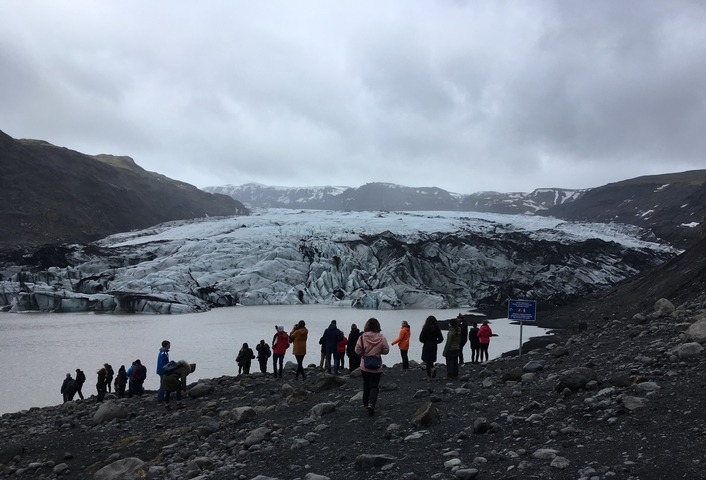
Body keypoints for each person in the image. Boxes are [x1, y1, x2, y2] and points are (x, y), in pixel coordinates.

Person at [354, 317, 390, 416]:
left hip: (365, 365)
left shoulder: (362, 337)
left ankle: (366, 403)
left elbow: (357, 350)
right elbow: (386, 350)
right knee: (374, 386)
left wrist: (364, 353)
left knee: (366, 384)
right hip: (376, 365)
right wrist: (378, 351)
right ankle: (371, 403)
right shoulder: (381, 337)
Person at [419, 315, 444, 382]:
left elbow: (421, 338)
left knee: (427, 361)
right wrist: (435, 342)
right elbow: (441, 339)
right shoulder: (437, 329)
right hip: (434, 346)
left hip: (427, 345)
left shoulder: (425, 328)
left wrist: (425, 341)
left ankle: (429, 376)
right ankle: (432, 368)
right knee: (431, 359)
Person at [156, 340, 170, 404]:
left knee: (163, 384)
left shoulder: (164, 352)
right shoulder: (163, 352)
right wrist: (165, 369)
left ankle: (162, 397)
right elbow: (162, 363)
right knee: (163, 385)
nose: (170, 346)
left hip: (162, 370)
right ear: (167, 345)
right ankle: (160, 399)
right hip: (163, 371)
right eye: (169, 344)